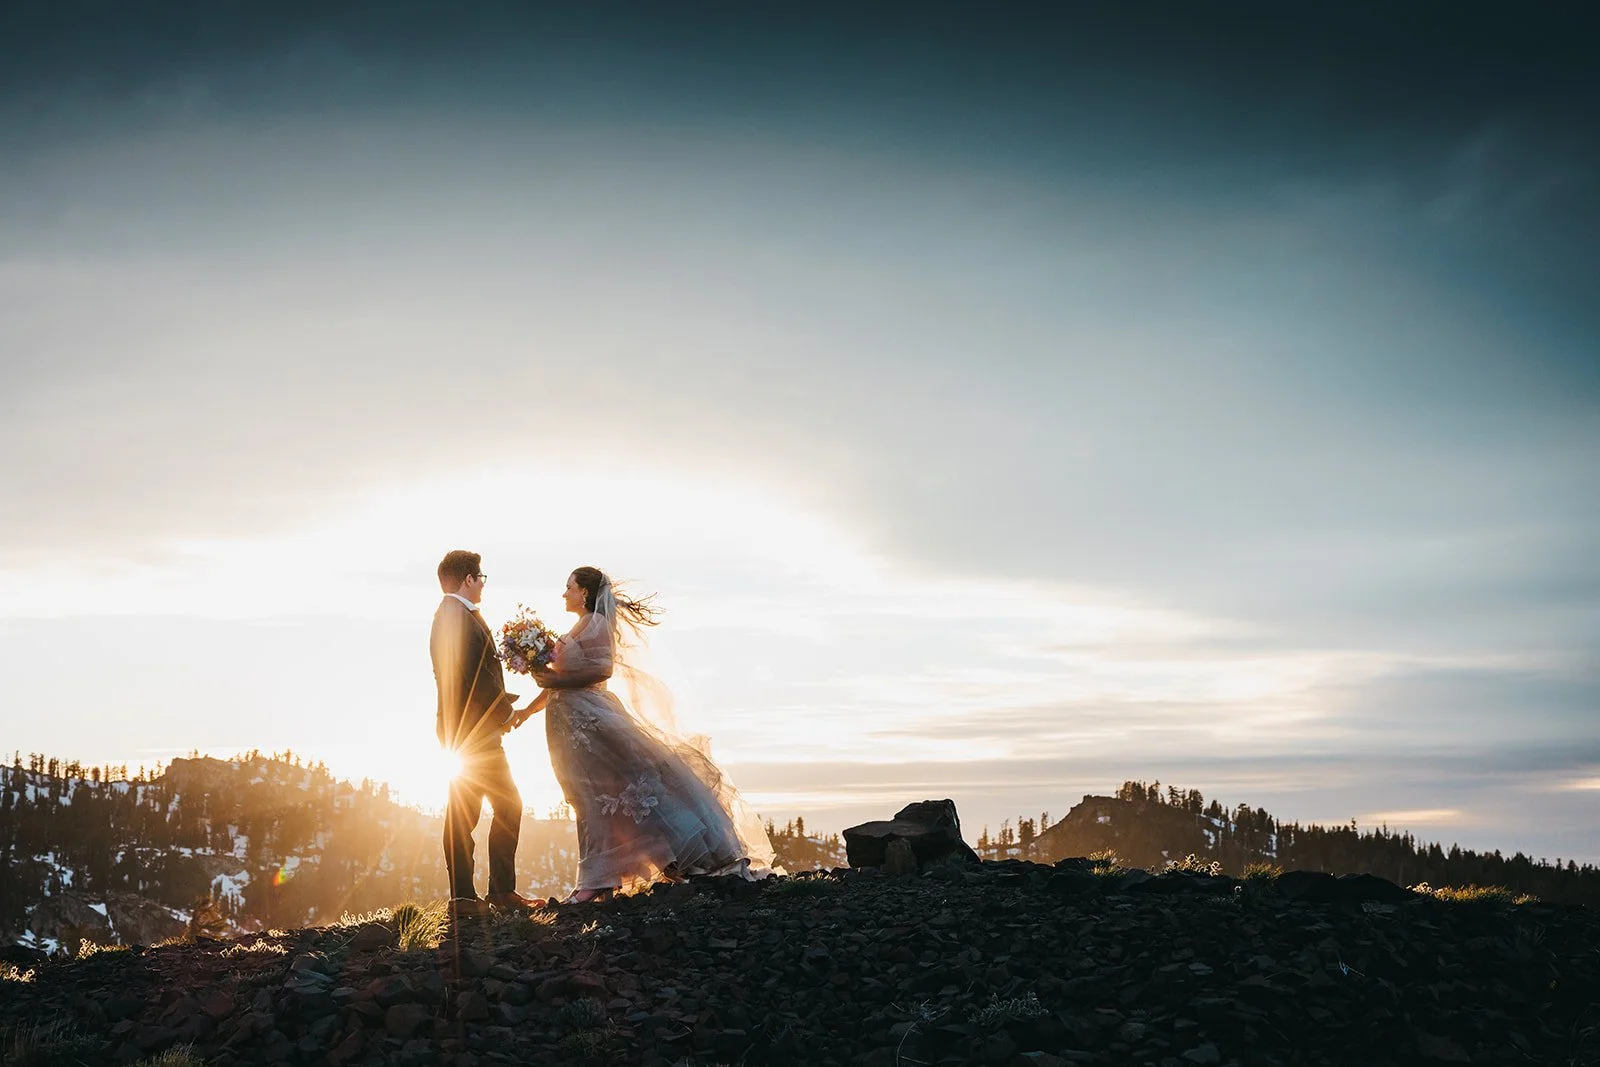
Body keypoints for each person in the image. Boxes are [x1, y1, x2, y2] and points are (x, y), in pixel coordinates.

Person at [528, 566, 780, 902]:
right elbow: (558, 676)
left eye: (569, 587)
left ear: (585, 593)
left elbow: (604, 669)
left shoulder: (597, 623)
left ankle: (600, 879)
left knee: (605, 793)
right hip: (570, 723)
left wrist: (554, 680)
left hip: (589, 721)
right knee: (587, 796)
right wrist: (528, 707)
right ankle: (602, 878)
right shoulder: (579, 625)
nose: (564, 593)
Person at [430, 549, 543, 916]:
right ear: (468, 579)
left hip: (468, 729)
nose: (483, 584)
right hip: (471, 731)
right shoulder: (453, 617)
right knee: (494, 808)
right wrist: (505, 712)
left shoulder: (456, 615)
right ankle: (481, 895)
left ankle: (480, 895)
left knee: (473, 811)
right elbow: (472, 678)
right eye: (481, 577)